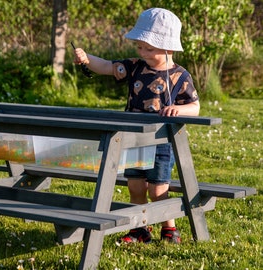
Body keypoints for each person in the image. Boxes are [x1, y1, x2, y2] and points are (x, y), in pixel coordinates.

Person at [73, 8, 200, 244]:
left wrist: (179, 110)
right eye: (140, 47)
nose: (142, 52)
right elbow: (107, 67)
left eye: (149, 48)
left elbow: (195, 107)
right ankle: (140, 228)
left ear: (168, 48)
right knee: (135, 187)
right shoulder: (135, 67)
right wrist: (87, 59)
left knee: (157, 189)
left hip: (161, 142)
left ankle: (169, 228)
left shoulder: (180, 76)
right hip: (133, 138)